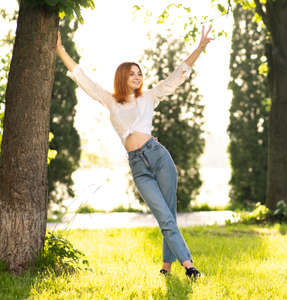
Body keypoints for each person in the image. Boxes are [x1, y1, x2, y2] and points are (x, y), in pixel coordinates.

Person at [56, 25, 213, 279]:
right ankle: (186, 265)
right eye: (132, 74)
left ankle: (179, 266)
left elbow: (178, 75)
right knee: (164, 215)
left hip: (159, 158)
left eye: (139, 74)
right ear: (121, 77)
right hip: (138, 166)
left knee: (168, 214)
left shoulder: (149, 97)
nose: (138, 78)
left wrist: (199, 48)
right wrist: (59, 49)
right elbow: (82, 77)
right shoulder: (110, 100)